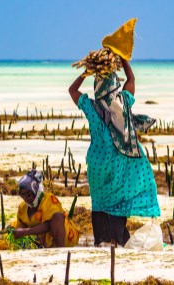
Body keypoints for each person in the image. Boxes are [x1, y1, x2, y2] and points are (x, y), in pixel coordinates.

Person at [68, 56, 161, 247]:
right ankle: (117, 239)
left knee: (101, 204)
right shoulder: (124, 103)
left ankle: (102, 240)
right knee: (119, 203)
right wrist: (124, 60)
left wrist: (86, 72)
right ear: (115, 87)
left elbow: (72, 90)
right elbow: (131, 80)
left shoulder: (92, 108)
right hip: (121, 166)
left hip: (99, 166)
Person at [10, 169, 80, 248]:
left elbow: (49, 225)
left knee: (57, 217)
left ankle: (60, 250)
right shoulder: (22, 208)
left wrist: (25, 232)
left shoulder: (49, 199)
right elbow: (21, 226)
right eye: (23, 195)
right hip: (42, 240)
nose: (26, 198)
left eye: (29, 194)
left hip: (65, 236)